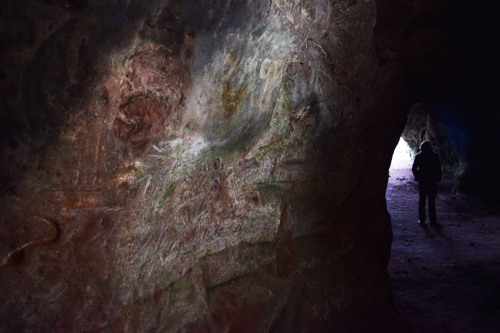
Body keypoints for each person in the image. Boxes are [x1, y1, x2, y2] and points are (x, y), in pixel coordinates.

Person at [412, 141, 443, 227]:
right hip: (432, 181)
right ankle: (433, 222)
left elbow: (414, 168)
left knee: (422, 201)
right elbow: (439, 169)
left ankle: (422, 220)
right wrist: (438, 178)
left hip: (422, 181)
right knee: (431, 202)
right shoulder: (435, 156)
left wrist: (417, 177)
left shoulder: (419, 156)